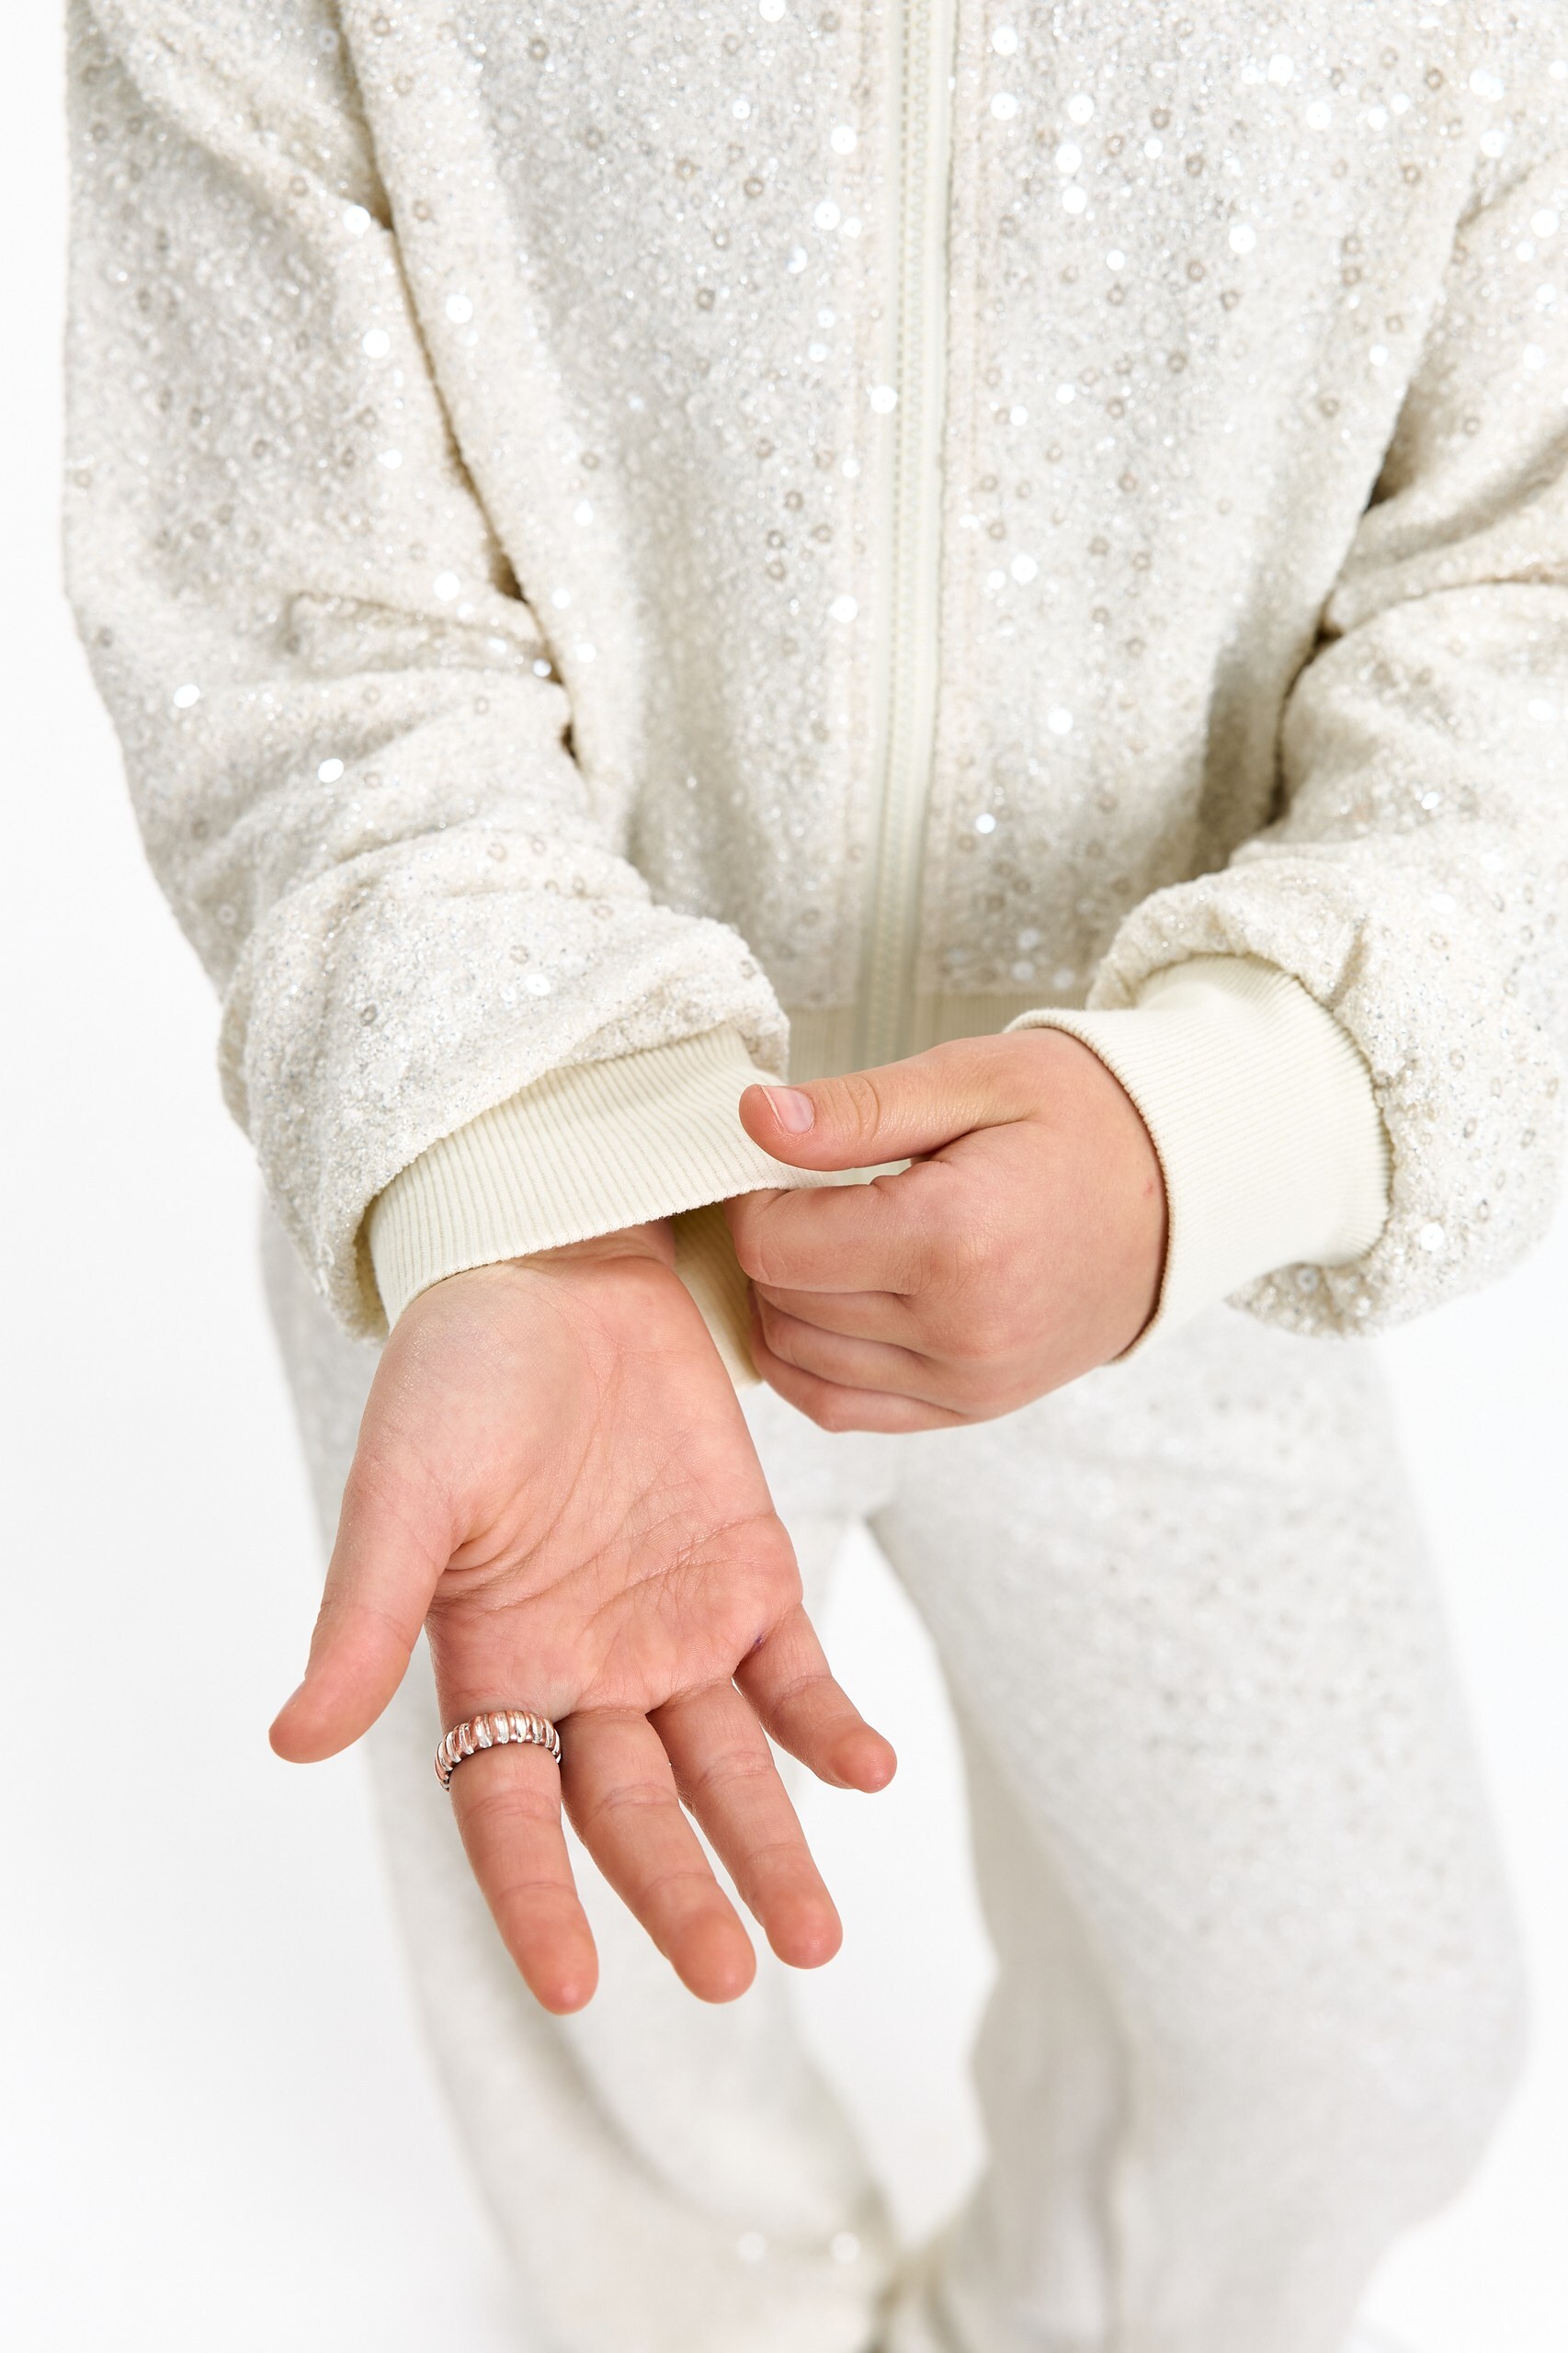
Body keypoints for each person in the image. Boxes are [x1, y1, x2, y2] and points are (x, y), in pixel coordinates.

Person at [65, 2, 1563, 2347]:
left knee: (1354, 2046)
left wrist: (1222, 1115)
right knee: (635, 2091)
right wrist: (538, 1155)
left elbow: (1527, 575)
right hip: (525, 1234)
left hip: (1155, 1207)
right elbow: (282, 568)